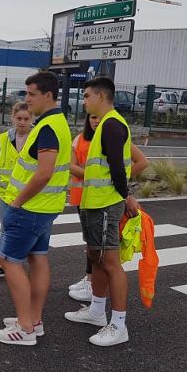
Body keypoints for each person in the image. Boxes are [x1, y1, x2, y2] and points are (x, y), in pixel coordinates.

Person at [0, 72, 71, 346]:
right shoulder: (58, 123)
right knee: (38, 258)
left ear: (47, 96)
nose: (27, 100)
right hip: (45, 207)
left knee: (9, 262)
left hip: (30, 207)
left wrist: (17, 201)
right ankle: (33, 321)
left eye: (31, 94)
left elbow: (44, 173)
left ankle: (25, 328)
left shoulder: (47, 127)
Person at [64, 76, 140, 347]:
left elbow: (119, 169)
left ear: (100, 96)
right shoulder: (105, 126)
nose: (83, 101)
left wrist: (127, 196)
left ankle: (119, 325)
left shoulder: (111, 125)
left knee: (110, 262)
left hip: (106, 203)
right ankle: (97, 310)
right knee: (95, 257)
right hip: (94, 202)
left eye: (86, 96)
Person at [68, 113, 149, 300]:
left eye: (99, 117)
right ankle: (90, 280)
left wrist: (116, 180)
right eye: (92, 117)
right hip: (84, 197)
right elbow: (69, 165)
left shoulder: (112, 135)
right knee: (92, 246)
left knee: (104, 252)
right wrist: (93, 175)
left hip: (105, 199)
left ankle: (94, 288)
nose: (95, 120)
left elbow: (141, 162)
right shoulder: (80, 139)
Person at [0, 102, 33, 279]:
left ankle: (25, 265)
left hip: (30, 195)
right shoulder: (5, 138)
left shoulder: (37, 137)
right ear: (12, 118)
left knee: (28, 231)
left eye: (26, 118)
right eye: (19, 118)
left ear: (32, 119)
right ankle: (2, 265)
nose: (22, 122)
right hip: (6, 193)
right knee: (5, 229)